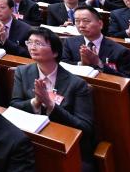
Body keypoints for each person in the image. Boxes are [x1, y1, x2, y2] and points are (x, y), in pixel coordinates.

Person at [12, 28, 96, 171]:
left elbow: (85, 128)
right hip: (31, 141)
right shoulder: (22, 72)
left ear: (55, 52)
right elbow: (14, 105)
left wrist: (51, 105)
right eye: (30, 42)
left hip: (65, 146)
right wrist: (36, 102)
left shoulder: (77, 84)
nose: (32, 47)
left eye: (38, 43)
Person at [62, 6, 130, 80]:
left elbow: (127, 80)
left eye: (86, 21)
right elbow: (62, 65)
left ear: (100, 24)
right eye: (77, 21)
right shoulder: (69, 43)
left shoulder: (120, 51)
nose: (81, 25)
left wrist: (99, 63)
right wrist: (82, 64)